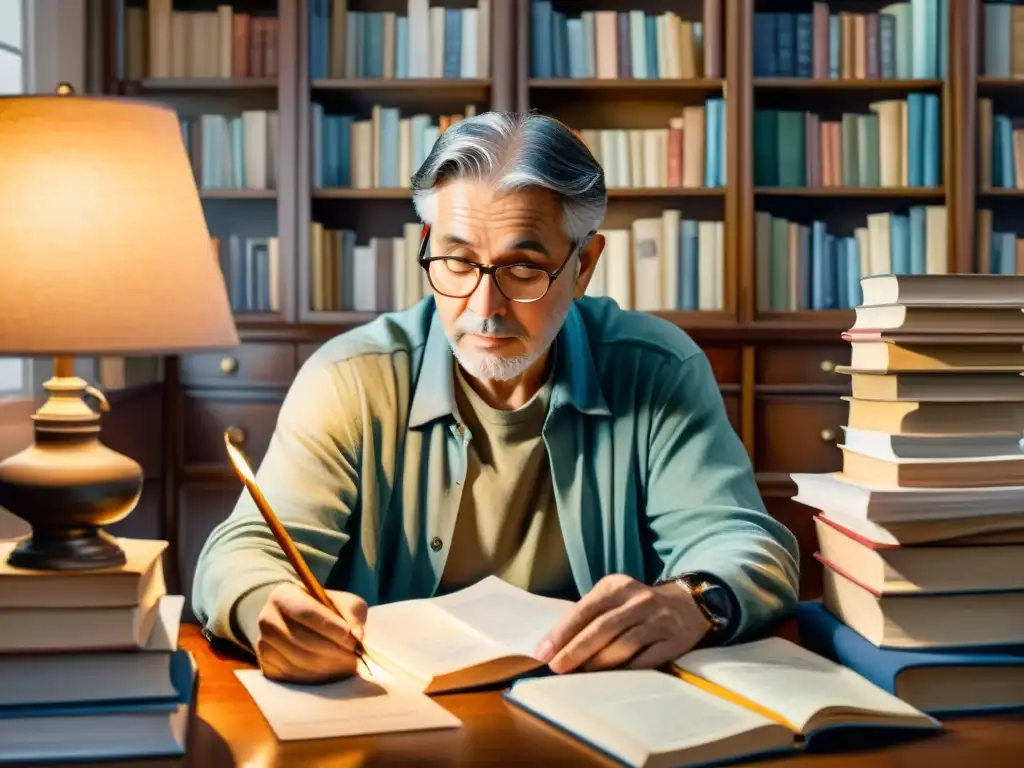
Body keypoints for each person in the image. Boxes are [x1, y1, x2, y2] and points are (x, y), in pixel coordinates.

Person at [192, 111, 800, 684]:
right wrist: (266, 607)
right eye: (457, 261)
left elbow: (745, 544)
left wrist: (693, 601)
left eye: (523, 270)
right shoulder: (351, 378)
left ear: (584, 265)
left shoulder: (656, 369)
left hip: (597, 703)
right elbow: (243, 552)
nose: (484, 309)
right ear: (427, 243)